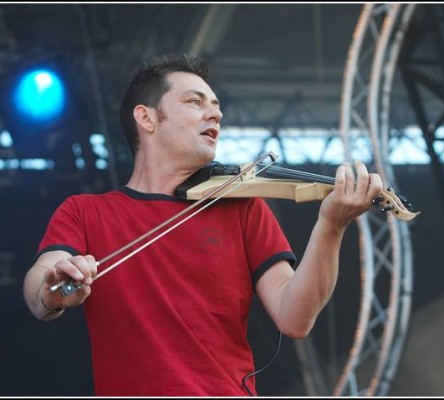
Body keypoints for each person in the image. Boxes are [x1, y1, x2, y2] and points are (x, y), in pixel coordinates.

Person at [23, 53, 383, 396]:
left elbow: (295, 318)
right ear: (147, 118)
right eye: (195, 102)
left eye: (216, 106)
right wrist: (53, 289)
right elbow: (41, 285)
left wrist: (332, 225)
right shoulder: (85, 212)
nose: (215, 114)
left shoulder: (242, 208)